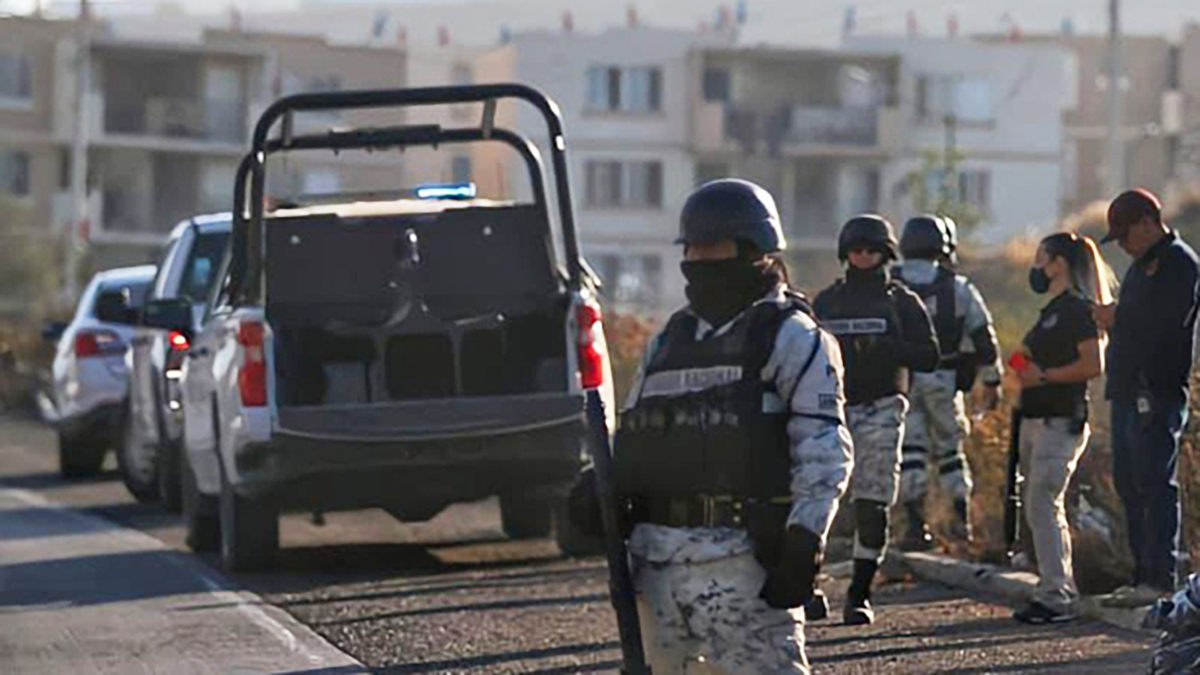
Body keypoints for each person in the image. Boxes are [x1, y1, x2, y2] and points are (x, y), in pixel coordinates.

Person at [612, 179, 854, 674]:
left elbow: (824, 447)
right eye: (692, 248)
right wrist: (601, 492)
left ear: (753, 250)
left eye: (713, 247)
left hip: (743, 569)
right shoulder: (669, 340)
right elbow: (637, 433)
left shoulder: (791, 335)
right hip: (656, 569)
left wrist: (806, 538)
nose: (699, 259)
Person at [813, 215, 940, 625]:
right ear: (844, 253)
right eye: (856, 250)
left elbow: (929, 356)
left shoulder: (902, 302)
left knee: (873, 500)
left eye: (871, 250)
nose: (863, 256)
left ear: (885, 253)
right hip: (830, 410)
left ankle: (859, 593)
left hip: (884, 409)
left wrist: (890, 348)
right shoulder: (828, 302)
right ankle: (809, 583)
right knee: (819, 499)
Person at [1095, 188, 1200, 606]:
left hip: (1156, 391)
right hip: (1127, 390)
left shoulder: (1179, 264)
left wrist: (1117, 318)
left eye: (1125, 234)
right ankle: (1141, 573)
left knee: (1155, 482)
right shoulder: (1141, 267)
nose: (1122, 244)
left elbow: (1165, 325)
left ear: (1147, 222)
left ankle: (1159, 576)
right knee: (1130, 483)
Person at [1011, 232, 1116, 623]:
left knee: (1044, 502)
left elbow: (1093, 365)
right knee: (1038, 505)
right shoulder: (1052, 310)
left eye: (1041, 258)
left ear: (1059, 263)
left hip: (1062, 421)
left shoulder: (1075, 310)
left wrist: (1045, 376)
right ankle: (1050, 587)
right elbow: (1026, 361)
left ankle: (1058, 595)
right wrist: (1025, 369)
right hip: (1038, 420)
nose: (1036, 267)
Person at [893, 215, 1003, 549]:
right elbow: (984, 338)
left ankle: (914, 527)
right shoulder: (957, 287)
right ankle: (960, 524)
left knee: (910, 451)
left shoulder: (888, 282)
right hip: (945, 379)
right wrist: (992, 380)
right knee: (950, 451)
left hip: (903, 381)